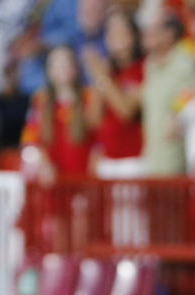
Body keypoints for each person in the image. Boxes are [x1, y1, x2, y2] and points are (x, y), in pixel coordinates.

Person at [84, 12, 145, 177]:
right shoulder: (108, 71)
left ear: (134, 34)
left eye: (120, 30)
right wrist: (100, 78)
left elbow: (126, 111)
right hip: (107, 161)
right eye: (110, 32)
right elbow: (93, 120)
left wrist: (102, 77)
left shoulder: (144, 68)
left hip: (135, 161)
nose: (114, 36)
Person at [22, 45, 94, 182]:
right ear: (50, 71)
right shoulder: (40, 100)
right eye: (58, 63)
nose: (64, 67)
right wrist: (43, 164)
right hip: (51, 180)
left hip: (83, 178)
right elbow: (30, 142)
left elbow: (98, 141)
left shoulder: (89, 98)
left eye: (68, 62)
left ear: (76, 67)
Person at [139, 14, 195, 176]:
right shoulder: (150, 65)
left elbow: (193, 96)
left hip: (176, 154)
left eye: (153, 30)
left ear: (169, 34)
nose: (146, 34)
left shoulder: (185, 63)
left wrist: (176, 114)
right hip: (152, 155)